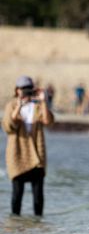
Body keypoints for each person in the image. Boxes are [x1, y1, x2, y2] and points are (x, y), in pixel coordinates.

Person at [3, 76, 54, 216]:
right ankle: (17, 229)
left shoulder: (38, 106)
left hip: (37, 156)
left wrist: (44, 101)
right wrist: (19, 106)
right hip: (18, 155)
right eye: (22, 89)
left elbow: (48, 122)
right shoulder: (12, 105)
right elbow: (8, 126)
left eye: (28, 89)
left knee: (38, 198)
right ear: (17, 90)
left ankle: (38, 231)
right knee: (16, 196)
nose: (25, 92)